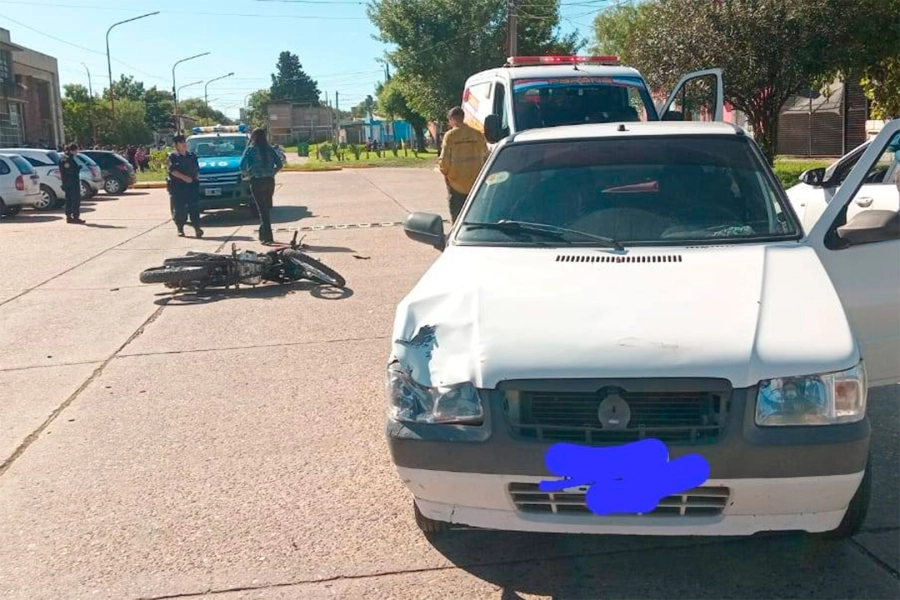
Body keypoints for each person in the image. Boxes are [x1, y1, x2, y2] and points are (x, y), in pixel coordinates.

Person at [439, 107, 488, 223]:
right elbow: (486, 155)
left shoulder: (450, 135)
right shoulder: (477, 134)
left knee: (457, 214)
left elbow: (444, 159)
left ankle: (456, 232)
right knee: (474, 212)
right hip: (475, 181)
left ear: (452, 119)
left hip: (456, 182)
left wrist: (444, 172)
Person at [240, 128, 283, 244]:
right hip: (269, 181)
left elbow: (242, 166)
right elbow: (279, 164)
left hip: (257, 181)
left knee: (262, 211)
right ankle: (262, 233)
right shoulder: (269, 149)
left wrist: (249, 174)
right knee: (266, 209)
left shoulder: (250, 150)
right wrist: (271, 172)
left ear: (253, 137)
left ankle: (267, 238)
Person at [168, 134, 203, 238]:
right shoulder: (173, 157)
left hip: (192, 186)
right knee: (180, 209)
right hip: (178, 187)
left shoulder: (192, 156)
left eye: (184, 142)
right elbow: (172, 171)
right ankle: (180, 228)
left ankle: (197, 228)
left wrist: (195, 177)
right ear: (176, 145)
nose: (184, 144)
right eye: (181, 143)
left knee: (194, 207)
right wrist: (184, 178)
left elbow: (197, 169)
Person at [58, 143, 84, 224]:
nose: (76, 152)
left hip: (67, 182)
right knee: (74, 199)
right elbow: (69, 171)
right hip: (71, 182)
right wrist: (77, 168)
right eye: (76, 151)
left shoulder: (65, 158)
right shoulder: (67, 159)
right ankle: (75, 217)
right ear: (72, 150)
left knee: (69, 199)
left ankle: (69, 216)